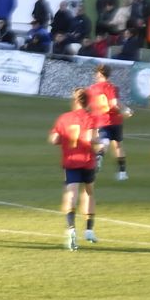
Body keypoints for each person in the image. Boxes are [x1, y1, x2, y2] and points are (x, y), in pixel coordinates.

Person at [49, 87, 100, 251]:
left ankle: (71, 229)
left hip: (71, 160)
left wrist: (64, 139)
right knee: (89, 192)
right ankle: (89, 230)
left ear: (75, 100)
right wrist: (101, 144)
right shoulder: (90, 118)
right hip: (87, 161)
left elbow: (54, 139)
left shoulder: (64, 118)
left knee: (71, 193)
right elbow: (92, 138)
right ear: (87, 102)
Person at [85, 64, 131, 181]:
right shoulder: (112, 87)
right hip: (115, 120)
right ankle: (122, 173)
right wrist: (125, 110)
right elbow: (115, 103)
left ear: (100, 74)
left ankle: (100, 155)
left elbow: (88, 106)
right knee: (118, 145)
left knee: (103, 141)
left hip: (100, 120)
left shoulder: (92, 88)